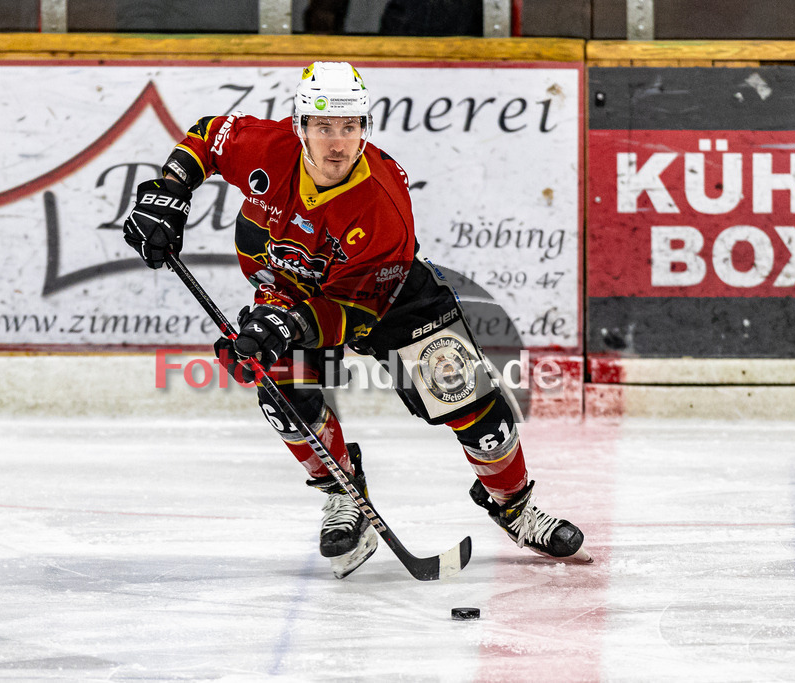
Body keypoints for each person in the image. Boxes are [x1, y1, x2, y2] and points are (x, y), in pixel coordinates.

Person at [123, 62, 590, 578]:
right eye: (323, 127)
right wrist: (171, 191)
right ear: (300, 126)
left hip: (386, 298)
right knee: (280, 390)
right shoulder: (267, 149)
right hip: (288, 289)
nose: (338, 142)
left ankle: (515, 506)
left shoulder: (382, 204)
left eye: (350, 127)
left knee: (467, 397)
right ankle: (343, 493)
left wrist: (289, 327)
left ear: (365, 128)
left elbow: (357, 310)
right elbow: (207, 138)